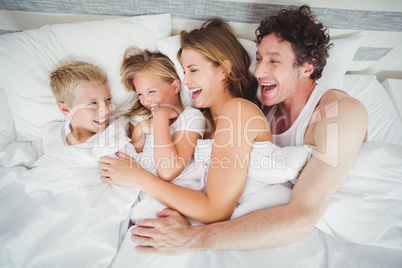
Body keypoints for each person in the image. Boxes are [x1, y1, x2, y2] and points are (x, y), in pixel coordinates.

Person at [126, 5, 368, 255]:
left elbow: (302, 217)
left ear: (307, 67)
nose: (260, 71)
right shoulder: (263, 109)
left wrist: (193, 238)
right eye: (260, 58)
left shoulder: (341, 113)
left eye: (274, 61)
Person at [99, 18, 272, 226]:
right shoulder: (204, 120)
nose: (186, 82)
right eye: (184, 71)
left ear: (224, 69)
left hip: (241, 228)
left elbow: (216, 210)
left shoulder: (239, 110)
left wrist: (138, 176)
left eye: (193, 70)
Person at [120, 47, 204, 182]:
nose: (146, 101)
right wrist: (140, 129)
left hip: (176, 190)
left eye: (152, 91)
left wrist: (161, 116)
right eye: (140, 94)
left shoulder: (191, 116)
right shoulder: (141, 117)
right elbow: (131, 157)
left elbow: (168, 171)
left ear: (175, 86)